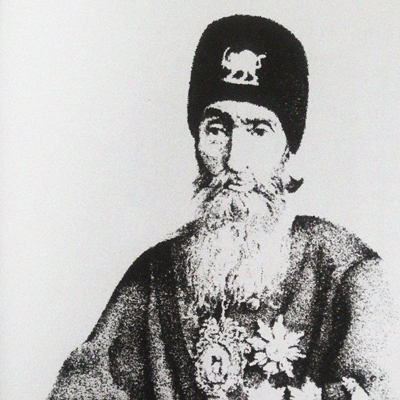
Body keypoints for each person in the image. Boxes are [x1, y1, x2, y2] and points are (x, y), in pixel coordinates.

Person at [48, 15, 398, 400]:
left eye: (259, 131)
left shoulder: (348, 275)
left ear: (289, 151)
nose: (235, 159)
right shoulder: (154, 275)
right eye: (217, 130)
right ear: (197, 141)